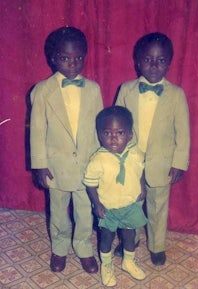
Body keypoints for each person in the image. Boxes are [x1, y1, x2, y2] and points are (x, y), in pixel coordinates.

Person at [30, 26, 103, 273]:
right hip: (56, 167)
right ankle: (59, 248)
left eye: (78, 58)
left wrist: (101, 162)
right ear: (53, 58)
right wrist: (40, 165)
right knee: (58, 210)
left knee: (85, 211)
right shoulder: (42, 91)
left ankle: (83, 247)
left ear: (85, 56)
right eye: (65, 58)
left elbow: (99, 128)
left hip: (86, 165)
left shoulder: (93, 89)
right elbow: (37, 131)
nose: (72, 63)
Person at [115, 32, 190, 265]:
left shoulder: (177, 95)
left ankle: (157, 245)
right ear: (137, 61)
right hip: (132, 162)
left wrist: (179, 162)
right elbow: (115, 122)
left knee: (158, 207)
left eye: (161, 60)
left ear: (169, 62)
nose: (154, 65)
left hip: (162, 164)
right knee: (131, 204)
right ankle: (131, 239)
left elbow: (183, 133)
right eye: (148, 59)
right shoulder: (126, 90)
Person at [83, 106, 147, 287]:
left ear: (130, 134)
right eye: (107, 133)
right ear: (99, 135)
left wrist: (142, 186)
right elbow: (90, 184)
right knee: (106, 238)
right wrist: (97, 205)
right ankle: (107, 265)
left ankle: (128, 261)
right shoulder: (98, 160)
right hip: (108, 208)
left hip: (130, 205)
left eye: (120, 132)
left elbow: (140, 170)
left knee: (129, 234)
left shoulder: (135, 152)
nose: (113, 138)